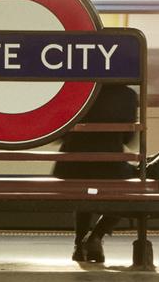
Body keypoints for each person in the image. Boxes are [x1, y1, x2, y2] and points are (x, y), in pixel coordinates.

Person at [53, 83, 139, 264]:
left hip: (71, 168)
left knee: (85, 191)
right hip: (110, 167)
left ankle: (79, 244)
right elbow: (128, 139)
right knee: (131, 189)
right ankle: (95, 237)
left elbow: (59, 132)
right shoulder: (127, 95)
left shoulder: (77, 91)